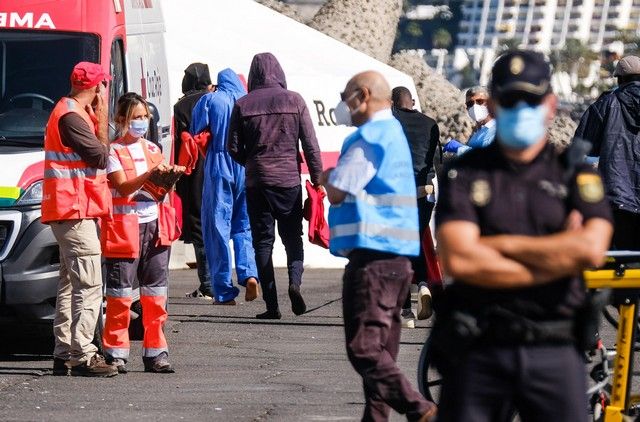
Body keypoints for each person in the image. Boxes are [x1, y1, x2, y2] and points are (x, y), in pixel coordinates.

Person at [433, 50, 613, 421]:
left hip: (553, 347)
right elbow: (460, 258)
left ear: (550, 105)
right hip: (479, 346)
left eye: (530, 100)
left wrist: (497, 246)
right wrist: (558, 254)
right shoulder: (464, 174)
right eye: (510, 100)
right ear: (495, 106)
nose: (520, 109)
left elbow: (592, 248)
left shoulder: (574, 174)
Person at [320, 71, 437, 422]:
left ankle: (421, 409)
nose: (343, 105)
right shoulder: (395, 135)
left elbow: (341, 189)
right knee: (383, 350)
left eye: (345, 96)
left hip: (372, 257)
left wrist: (327, 177)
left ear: (363, 95)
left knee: (364, 348)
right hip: (399, 257)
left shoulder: (369, 136)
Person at [228, 52, 323, 319]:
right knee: (293, 238)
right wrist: (317, 179)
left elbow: (232, 147)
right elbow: (311, 145)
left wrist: (251, 161)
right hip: (288, 180)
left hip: (257, 181)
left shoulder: (243, 104)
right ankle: (295, 283)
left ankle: (272, 306)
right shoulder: (295, 100)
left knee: (262, 242)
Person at [43, 62, 118, 378]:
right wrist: (102, 117)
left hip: (70, 210)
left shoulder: (68, 111)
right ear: (97, 87)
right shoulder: (73, 117)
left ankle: (64, 353)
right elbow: (100, 156)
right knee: (88, 283)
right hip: (75, 211)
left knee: (70, 282)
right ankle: (84, 354)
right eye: (104, 86)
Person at [101, 93, 184, 374]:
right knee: (120, 295)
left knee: (155, 295)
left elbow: (161, 190)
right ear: (121, 120)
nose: (141, 122)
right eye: (136, 117)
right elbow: (123, 188)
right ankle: (115, 354)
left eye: (144, 117)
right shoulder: (113, 151)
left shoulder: (152, 148)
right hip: (125, 230)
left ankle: (156, 353)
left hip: (155, 227)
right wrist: (150, 175)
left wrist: (167, 178)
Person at [190, 68, 259, 305]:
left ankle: (223, 291)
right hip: (245, 165)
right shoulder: (249, 101)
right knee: (243, 225)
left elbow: (196, 129)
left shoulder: (210, 99)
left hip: (219, 162)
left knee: (217, 226)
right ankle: (249, 273)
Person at [574, 55, 640, 250]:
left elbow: (583, 144)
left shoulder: (606, 103)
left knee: (621, 260)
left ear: (619, 79)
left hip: (617, 197)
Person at [391, 86, 440, 328]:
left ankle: (406, 311)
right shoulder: (430, 123)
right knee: (416, 240)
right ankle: (422, 286)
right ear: (412, 101)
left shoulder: (390, 121)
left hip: (398, 192)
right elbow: (435, 159)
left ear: (393, 103)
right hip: (425, 192)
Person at [173, 63, 215, 299]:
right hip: (218, 164)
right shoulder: (215, 100)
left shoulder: (182, 105)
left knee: (198, 225)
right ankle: (220, 281)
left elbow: (179, 143)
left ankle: (207, 283)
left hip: (193, 169)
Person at [442, 86, 495, 155]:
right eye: (470, 104)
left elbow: (487, 158)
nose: (475, 107)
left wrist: (460, 148)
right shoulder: (477, 134)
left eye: (480, 101)